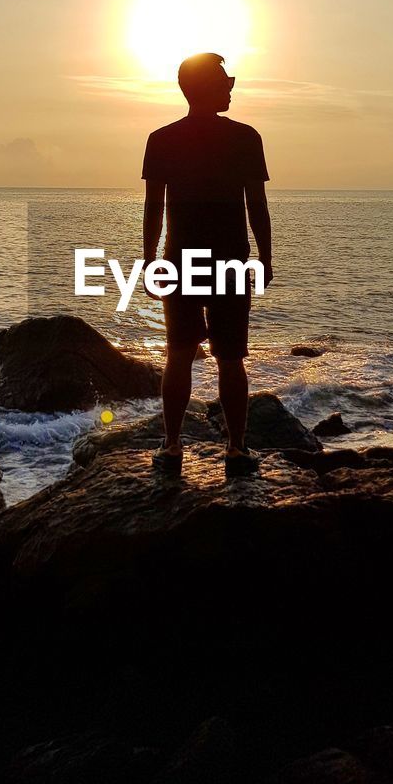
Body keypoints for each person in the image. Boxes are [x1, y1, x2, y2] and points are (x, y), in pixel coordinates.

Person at [141, 51, 272, 476]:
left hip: (180, 259)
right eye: (224, 81)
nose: (231, 86)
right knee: (229, 356)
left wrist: (149, 261)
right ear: (203, 88)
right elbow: (257, 205)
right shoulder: (245, 137)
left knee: (179, 353)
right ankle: (235, 449)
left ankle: (173, 445)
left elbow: (153, 209)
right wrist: (264, 258)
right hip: (229, 258)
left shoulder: (162, 139)